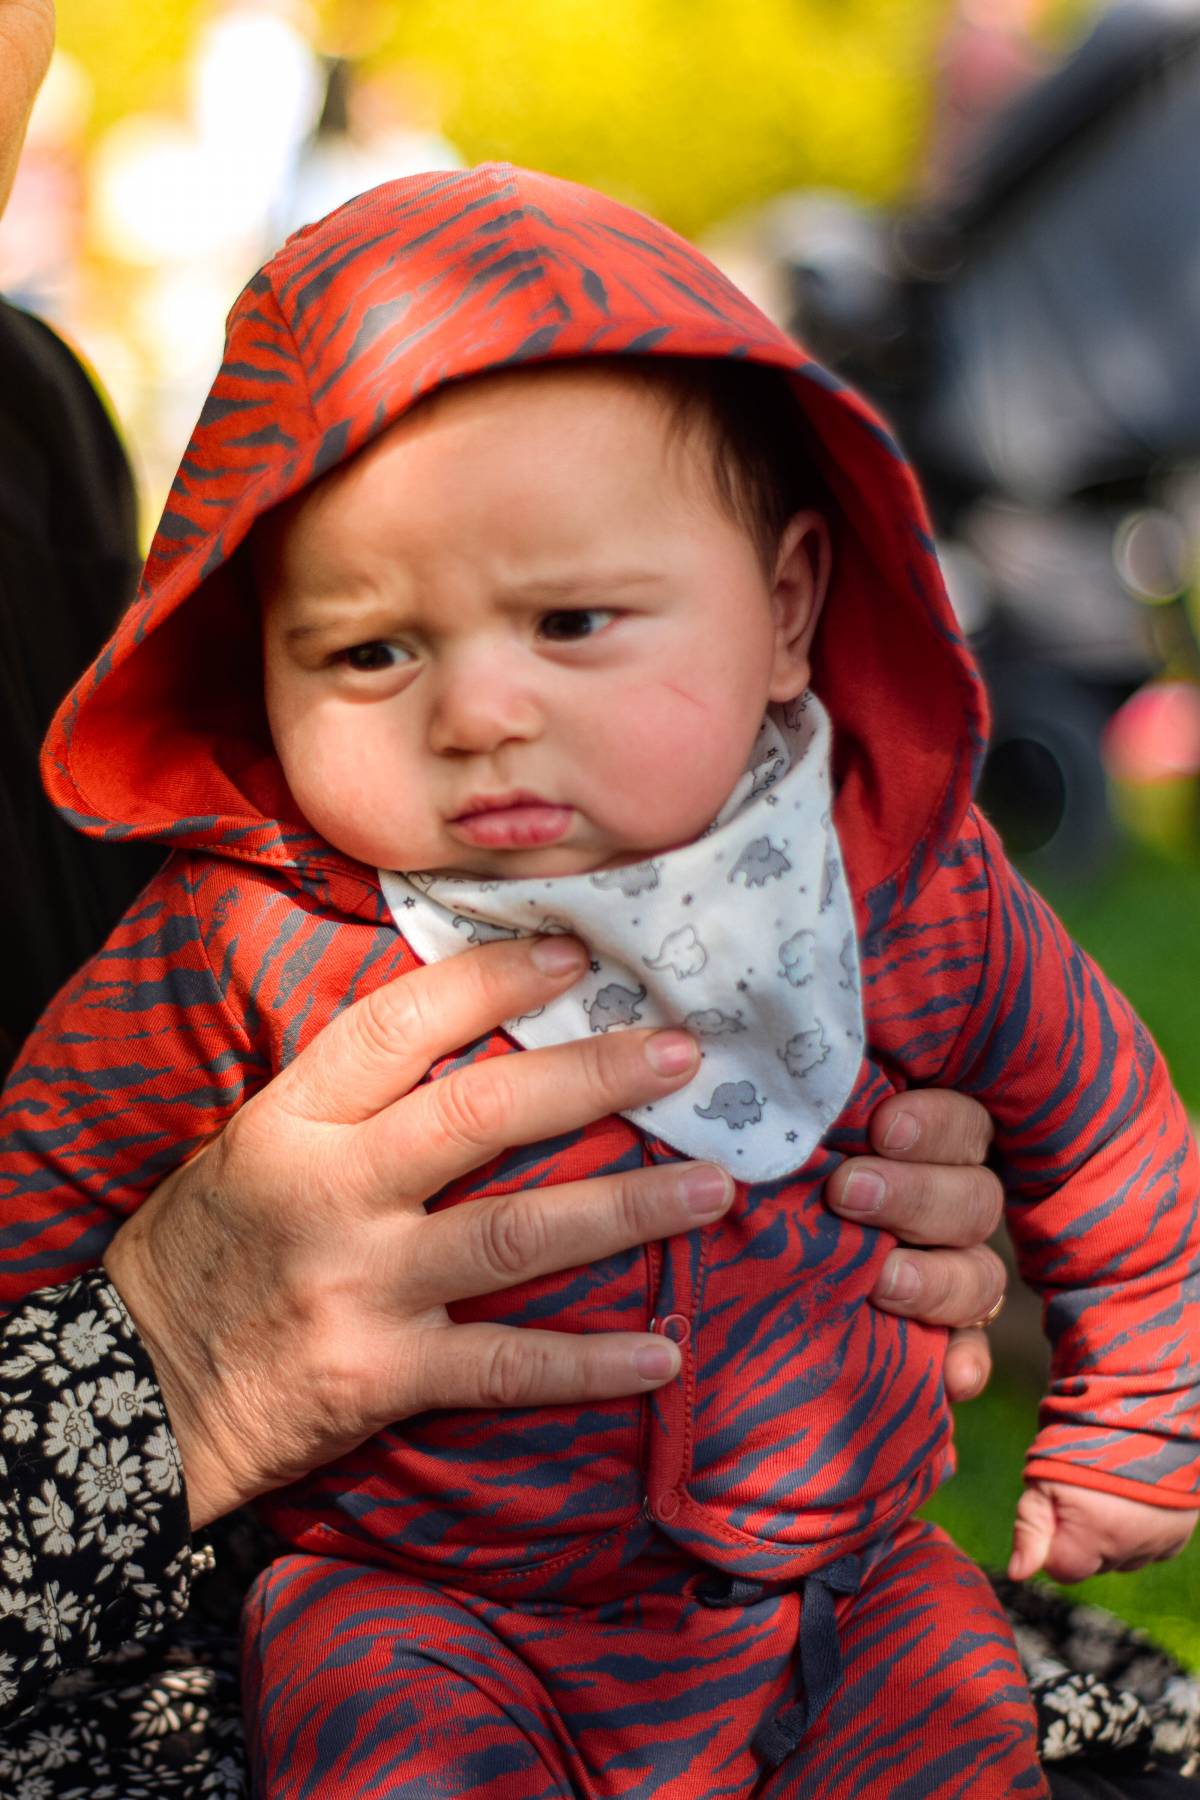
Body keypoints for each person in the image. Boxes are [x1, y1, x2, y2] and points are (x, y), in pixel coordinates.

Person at [2, 162, 1197, 1798]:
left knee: (957, 1728)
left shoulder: (883, 882)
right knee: (376, 1743)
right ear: (251, 656)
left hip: (835, 1581)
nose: (480, 709)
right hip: (425, 1610)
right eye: (370, 652)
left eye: (571, 620)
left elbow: (1100, 1115)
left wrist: (1138, 1394)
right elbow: (48, 1167)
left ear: (784, 616)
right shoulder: (246, 933)